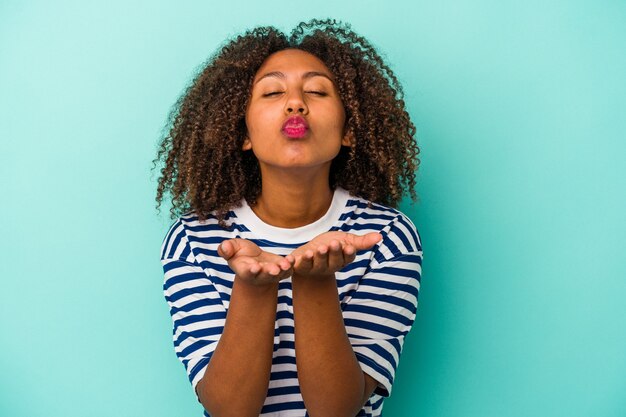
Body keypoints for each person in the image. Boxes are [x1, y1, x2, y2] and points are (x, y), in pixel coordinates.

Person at [153, 18, 423, 417]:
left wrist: (314, 282)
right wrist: (254, 289)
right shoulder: (194, 241)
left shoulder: (386, 237)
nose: (296, 103)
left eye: (316, 90)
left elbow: (336, 410)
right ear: (243, 133)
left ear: (349, 130)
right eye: (272, 92)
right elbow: (229, 409)